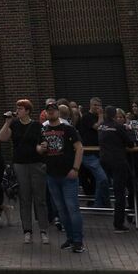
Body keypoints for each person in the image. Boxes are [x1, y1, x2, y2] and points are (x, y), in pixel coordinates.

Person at [0, 99, 49, 244]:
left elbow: (42, 142)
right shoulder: (14, 125)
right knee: (24, 198)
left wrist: (41, 148)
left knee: (40, 199)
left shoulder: (37, 125)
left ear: (27, 111)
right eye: (17, 108)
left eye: (20, 109)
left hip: (36, 163)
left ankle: (43, 230)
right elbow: (2, 137)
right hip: (20, 164)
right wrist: (7, 122)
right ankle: (27, 230)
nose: (18, 111)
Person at [40, 99, 84, 252]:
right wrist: (41, 148)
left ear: (58, 112)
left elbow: (79, 148)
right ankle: (70, 238)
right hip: (52, 174)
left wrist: (75, 168)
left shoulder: (68, 128)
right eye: (48, 110)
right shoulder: (42, 130)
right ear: (46, 112)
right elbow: (38, 149)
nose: (51, 111)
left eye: (53, 109)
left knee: (72, 208)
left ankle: (78, 241)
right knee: (61, 209)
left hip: (68, 175)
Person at [97, 105, 135, 232]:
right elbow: (129, 143)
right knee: (120, 192)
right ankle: (118, 223)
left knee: (107, 184)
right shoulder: (118, 127)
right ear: (114, 115)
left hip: (104, 160)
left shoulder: (101, 127)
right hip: (118, 161)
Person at [77, 98, 111, 208]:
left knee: (100, 180)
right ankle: (104, 203)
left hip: (101, 153)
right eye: (95, 105)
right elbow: (98, 127)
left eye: (99, 105)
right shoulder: (87, 117)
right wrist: (101, 116)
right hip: (89, 154)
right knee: (102, 179)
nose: (97, 107)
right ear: (91, 105)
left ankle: (100, 204)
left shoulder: (102, 118)